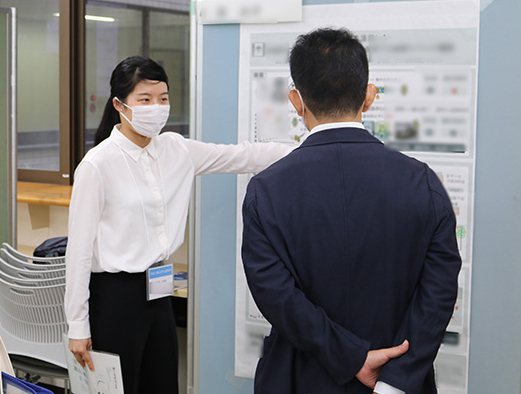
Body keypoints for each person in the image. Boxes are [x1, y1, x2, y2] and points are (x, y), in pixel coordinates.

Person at [241, 28, 461, 394]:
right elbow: (438, 291)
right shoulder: (422, 182)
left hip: (299, 378)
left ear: (296, 100)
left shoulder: (268, 189)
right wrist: (397, 378)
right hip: (398, 381)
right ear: (369, 96)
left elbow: (276, 295)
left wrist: (352, 356)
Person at [66, 56, 293, 394]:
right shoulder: (98, 165)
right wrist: (77, 325)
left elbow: (242, 155)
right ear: (119, 105)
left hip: (158, 290)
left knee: (162, 384)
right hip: (114, 298)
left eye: (163, 98)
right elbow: (79, 253)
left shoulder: (176, 149)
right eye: (145, 100)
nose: (156, 107)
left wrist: (308, 149)